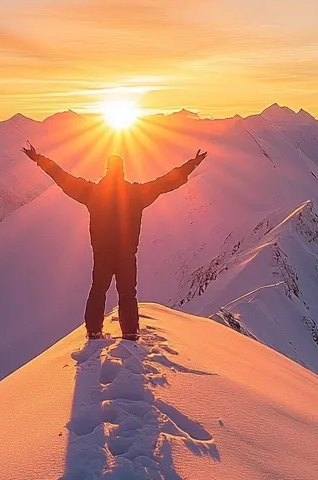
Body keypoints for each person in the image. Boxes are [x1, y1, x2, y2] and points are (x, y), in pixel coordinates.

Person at [23, 143, 208, 339]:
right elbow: (164, 182)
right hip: (126, 254)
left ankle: (94, 331)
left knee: (98, 290)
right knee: (127, 293)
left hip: (102, 253)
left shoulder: (91, 192)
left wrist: (38, 159)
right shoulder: (137, 194)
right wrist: (192, 164)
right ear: (123, 171)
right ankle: (130, 332)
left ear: (107, 170)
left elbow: (63, 177)